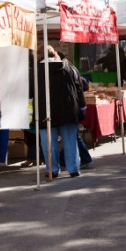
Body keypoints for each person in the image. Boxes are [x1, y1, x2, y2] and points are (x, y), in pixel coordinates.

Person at [36, 46, 85, 179]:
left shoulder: (36, 71)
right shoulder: (70, 68)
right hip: (68, 109)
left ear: (40, 56)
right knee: (70, 141)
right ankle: (73, 168)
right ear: (55, 54)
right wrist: (82, 107)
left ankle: (52, 169)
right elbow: (79, 88)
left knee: (49, 143)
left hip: (45, 111)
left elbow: (31, 93)